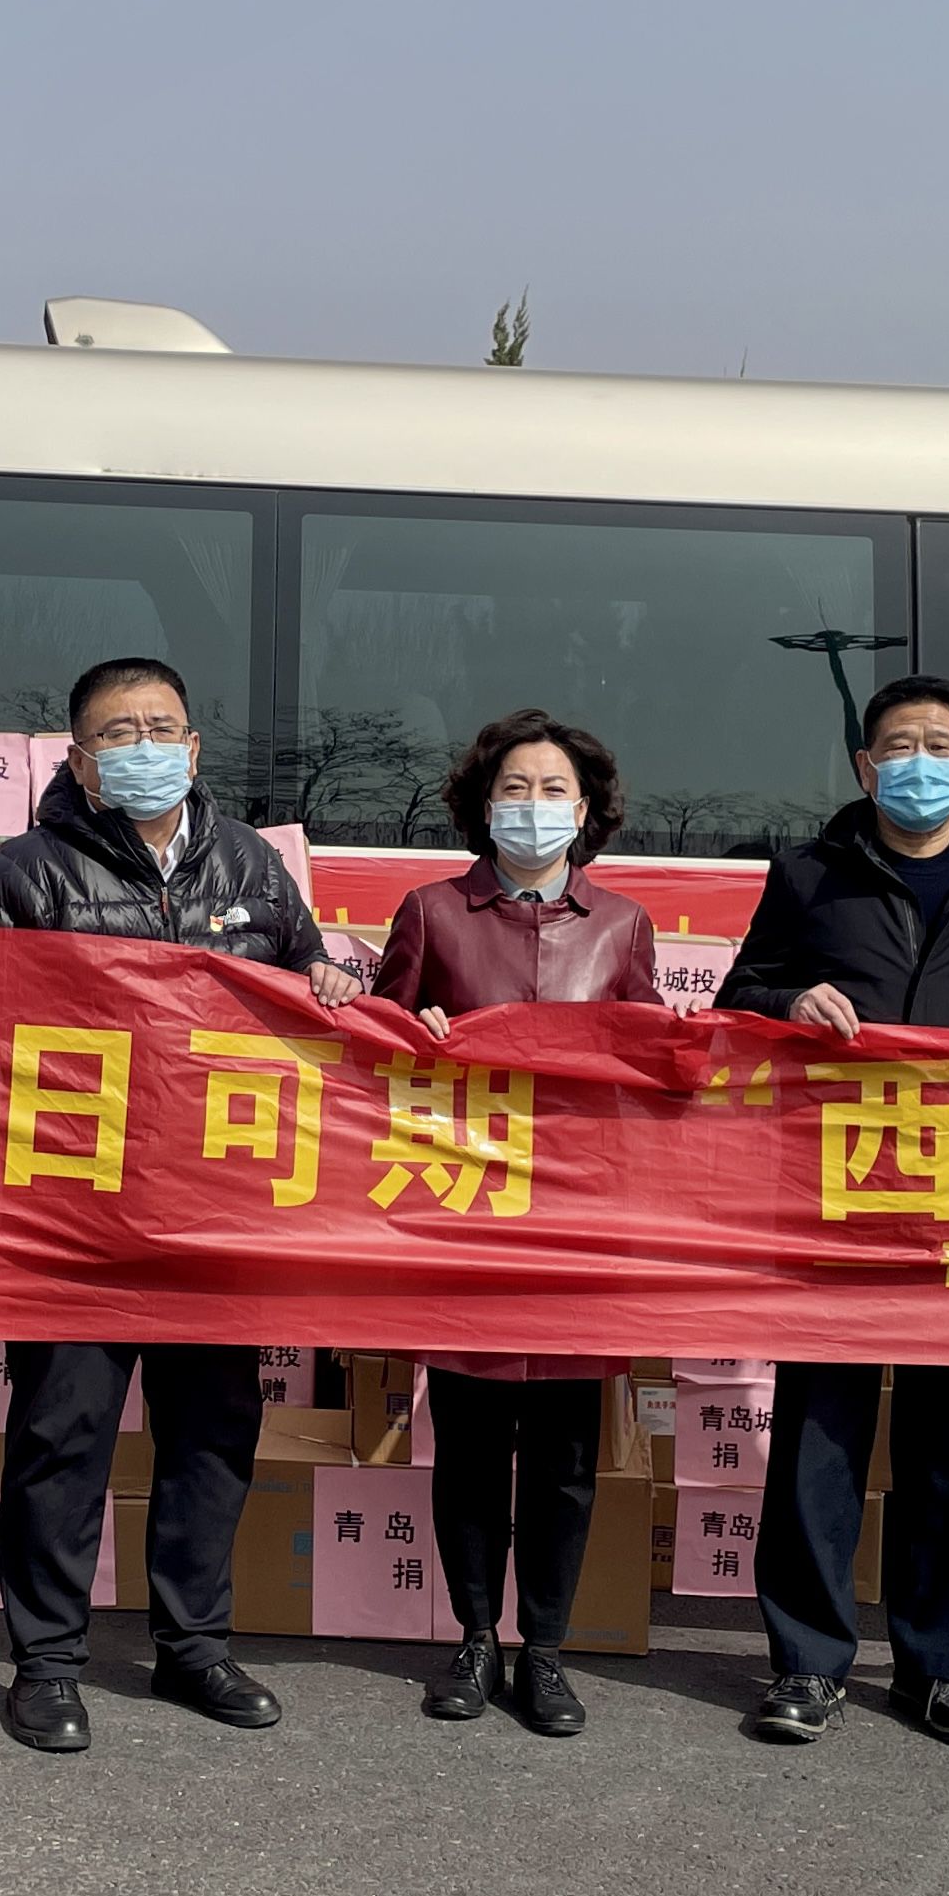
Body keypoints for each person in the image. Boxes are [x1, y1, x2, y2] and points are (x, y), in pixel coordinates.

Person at [0, 656, 363, 1753]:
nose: (145, 746)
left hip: (218, 1213)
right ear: (81, 760)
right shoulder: (16, 880)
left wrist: (332, 981)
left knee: (212, 1435)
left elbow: (305, 986)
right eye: (118, 732)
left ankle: (194, 1646)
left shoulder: (254, 870)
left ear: (193, 746)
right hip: (76, 1217)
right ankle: (47, 1663)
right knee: (62, 1438)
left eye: (162, 727)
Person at [715, 675, 949, 1747]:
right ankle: (806, 1663)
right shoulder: (810, 872)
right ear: (867, 767)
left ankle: (941, 1667)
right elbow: (740, 993)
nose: (920, 762)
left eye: (940, 745)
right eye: (899, 746)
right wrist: (789, 1000)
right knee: (819, 1437)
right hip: (836, 1192)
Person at [369, 708, 660, 1738]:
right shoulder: (432, 912)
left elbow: (649, 1063)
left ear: (586, 812)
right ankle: (473, 1636)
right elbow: (370, 1047)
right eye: (514, 789)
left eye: (553, 791)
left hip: (579, 1224)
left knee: (567, 1457)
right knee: (470, 1444)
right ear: (482, 804)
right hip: (469, 1221)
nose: (532, 807)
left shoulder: (622, 925)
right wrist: (410, 1031)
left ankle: (545, 1649)